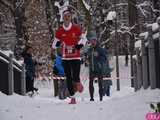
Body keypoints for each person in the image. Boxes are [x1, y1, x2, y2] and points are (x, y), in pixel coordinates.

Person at [52, 9, 86, 104]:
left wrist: (80, 45)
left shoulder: (76, 28)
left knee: (75, 76)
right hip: (65, 58)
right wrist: (58, 43)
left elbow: (84, 38)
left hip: (76, 57)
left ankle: (78, 82)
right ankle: (73, 97)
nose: (67, 18)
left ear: (71, 18)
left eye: (68, 16)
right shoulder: (60, 31)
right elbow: (53, 45)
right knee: (68, 78)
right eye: (65, 16)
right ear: (63, 18)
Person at [86, 31, 108, 101]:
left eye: (94, 41)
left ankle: (101, 98)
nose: (93, 42)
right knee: (90, 84)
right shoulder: (89, 50)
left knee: (100, 84)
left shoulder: (100, 49)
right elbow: (87, 57)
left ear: (96, 41)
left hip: (99, 69)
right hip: (92, 69)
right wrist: (87, 60)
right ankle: (91, 98)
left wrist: (98, 56)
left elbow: (105, 58)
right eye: (92, 41)